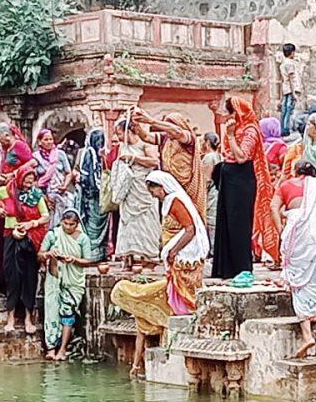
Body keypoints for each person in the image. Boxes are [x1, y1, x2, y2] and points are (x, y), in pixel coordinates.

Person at [111, 171, 209, 378]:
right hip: (178, 254)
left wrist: (173, 251)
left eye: (153, 190)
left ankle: (186, 317)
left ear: (161, 186)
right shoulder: (170, 202)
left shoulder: (175, 201)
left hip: (185, 254)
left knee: (184, 290)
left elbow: (189, 229)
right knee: (176, 289)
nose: (153, 194)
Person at [272, 160, 316, 358]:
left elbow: (273, 208)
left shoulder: (285, 185)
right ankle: (313, 311)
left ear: (295, 171)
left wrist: (282, 225)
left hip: (301, 230)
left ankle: (307, 334)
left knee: (297, 277)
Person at [212, 96, 279, 277]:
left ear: (237, 113)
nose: (225, 117)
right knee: (226, 221)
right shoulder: (235, 128)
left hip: (241, 181)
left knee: (238, 223)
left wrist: (232, 136)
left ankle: (241, 267)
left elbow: (242, 157)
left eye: (228, 112)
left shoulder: (250, 130)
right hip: (229, 178)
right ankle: (225, 268)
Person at [0, 165, 50, 333]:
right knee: (12, 276)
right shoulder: (6, 191)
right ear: (19, 178)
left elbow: (45, 216)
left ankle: (28, 317)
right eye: (26, 181)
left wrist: (30, 223)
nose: (28, 184)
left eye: (31, 181)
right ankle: (10, 317)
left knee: (29, 277)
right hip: (11, 238)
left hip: (30, 239)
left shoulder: (36, 195)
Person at [39, 210, 95, 360]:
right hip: (54, 278)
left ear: (77, 224)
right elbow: (40, 254)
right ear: (61, 221)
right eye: (65, 223)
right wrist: (49, 254)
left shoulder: (83, 238)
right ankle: (50, 348)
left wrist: (73, 259)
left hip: (74, 281)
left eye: (71, 224)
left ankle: (62, 349)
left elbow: (88, 260)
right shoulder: (53, 234)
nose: (68, 227)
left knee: (68, 313)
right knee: (51, 310)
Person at [131, 110, 207, 222]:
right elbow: (147, 137)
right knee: (172, 218)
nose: (167, 131)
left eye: (168, 127)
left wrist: (151, 121)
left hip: (187, 185)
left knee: (190, 219)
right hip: (170, 185)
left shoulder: (188, 138)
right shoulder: (166, 138)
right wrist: (137, 126)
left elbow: (178, 132)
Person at [110, 118, 162, 266]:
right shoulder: (123, 146)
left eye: (120, 133)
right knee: (128, 223)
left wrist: (134, 158)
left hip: (144, 188)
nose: (118, 137)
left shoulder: (145, 144)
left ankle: (147, 258)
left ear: (128, 131)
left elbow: (154, 162)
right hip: (129, 189)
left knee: (146, 222)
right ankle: (129, 257)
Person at [34, 128, 77, 228]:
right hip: (43, 196)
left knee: (64, 221)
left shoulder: (60, 154)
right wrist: (45, 198)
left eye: (50, 139)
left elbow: (68, 173)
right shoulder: (35, 157)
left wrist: (65, 185)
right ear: (39, 142)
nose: (49, 142)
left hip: (61, 194)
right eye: (46, 140)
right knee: (47, 223)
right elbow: (34, 180)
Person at [77, 129, 109, 261]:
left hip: (100, 195)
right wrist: (96, 189)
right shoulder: (89, 154)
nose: (100, 143)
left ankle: (99, 253)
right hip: (92, 195)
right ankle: (91, 252)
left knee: (99, 222)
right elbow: (88, 176)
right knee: (93, 223)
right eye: (98, 141)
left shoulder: (101, 154)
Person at [200, 132, 222, 250]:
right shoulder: (218, 155)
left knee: (211, 221)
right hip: (218, 191)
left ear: (207, 143)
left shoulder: (209, 157)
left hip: (212, 193)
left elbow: (206, 180)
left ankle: (213, 249)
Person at [279, 43, 302, 136]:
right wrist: (294, 94)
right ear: (292, 53)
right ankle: (286, 128)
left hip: (285, 89)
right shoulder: (290, 64)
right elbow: (291, 80)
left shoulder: (283, 63)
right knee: (289, 110)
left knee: (284, 110)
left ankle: (283, 128)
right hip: (290, 89)